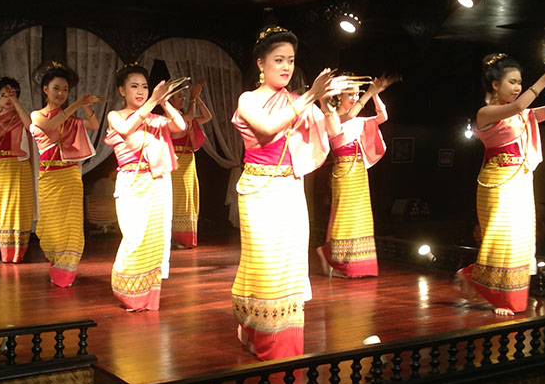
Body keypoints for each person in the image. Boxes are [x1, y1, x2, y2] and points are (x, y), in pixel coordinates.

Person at [231, 26, 345, 360]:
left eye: (291, 60)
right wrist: (311, 95)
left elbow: (335, 135)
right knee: (264, 265)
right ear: (260, 64)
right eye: (278, 59)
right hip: (258, 191)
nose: (285, 67)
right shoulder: (249, 99)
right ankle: (256, 330)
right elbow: (266, 129)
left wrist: (328, 103)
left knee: (289, 268)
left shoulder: (298, 100)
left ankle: (281, 342)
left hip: (291, 191)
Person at [456, 53, 545, 316]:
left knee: (519, 239)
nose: (518, 86)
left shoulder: (524, 114)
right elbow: (518, 106)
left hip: (520, 180)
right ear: (495, 85)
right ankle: (496, 295)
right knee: (501, 238)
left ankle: (500, 291)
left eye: (520, 82)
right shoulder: (486, 112)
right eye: (512, 81)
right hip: (496, 182)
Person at [104, 64, 186, 311]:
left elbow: (181, 126)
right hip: (130, 182)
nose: (140, 91)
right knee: (134, 236)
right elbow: (127, 129)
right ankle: (127, 291)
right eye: (133, 86)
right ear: (121, 90)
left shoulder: (156, 118)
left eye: (144, 86)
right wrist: (152, 101)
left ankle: (146, 296)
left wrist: (165, 102)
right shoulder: (115, 115)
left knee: (154, 238)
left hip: (156, 183)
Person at [315, 73, 397, 278]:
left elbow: (383, 116)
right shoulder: (332, 116)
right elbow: (350, 115)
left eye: (356, 94)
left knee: (359, 218)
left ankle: (352, 263)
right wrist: (368, 93)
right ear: (338, 97)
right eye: (349, 94)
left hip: (359, 171)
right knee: (344, 217)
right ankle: (333, 257)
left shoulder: (358, 119)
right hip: (343, 170)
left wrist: (376, 94)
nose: (353, 97)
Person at [30, 61, 100, 287]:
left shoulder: (70, 118)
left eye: (65, 90)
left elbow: (93, 124)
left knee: (70, 226)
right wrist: (76, 104)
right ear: (45, 89)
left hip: (70, 176)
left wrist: (87, 106)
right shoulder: (36, 115)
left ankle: (66, 272)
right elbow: (52, 125)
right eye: (56, 88)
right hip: (49, 178)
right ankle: (55, 261)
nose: (61, 93)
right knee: (50, 227)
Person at [0, 77, 34, 263]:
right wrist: (1, 103)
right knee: (0, 208)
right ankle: (5, 250)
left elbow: (30, 127)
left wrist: (16, 103)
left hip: (19, 165)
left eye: (10, 95)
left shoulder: (20, 116)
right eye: (3, 94)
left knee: (19, 208)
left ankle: (18, 252)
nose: (6, 98)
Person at [168, 81, 213, 249]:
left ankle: (186, 238)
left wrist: (198, 99)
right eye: (179, 96)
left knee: (189, 197)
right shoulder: (170, 118)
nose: (183, 98)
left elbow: (208, 117)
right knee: (178, 199)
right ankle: (174, 238)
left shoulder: (186, 115)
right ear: (170, 100)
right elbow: (187, 118)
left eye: (184, 96)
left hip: (188, 160)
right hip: (175, 161)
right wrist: (193, 100)